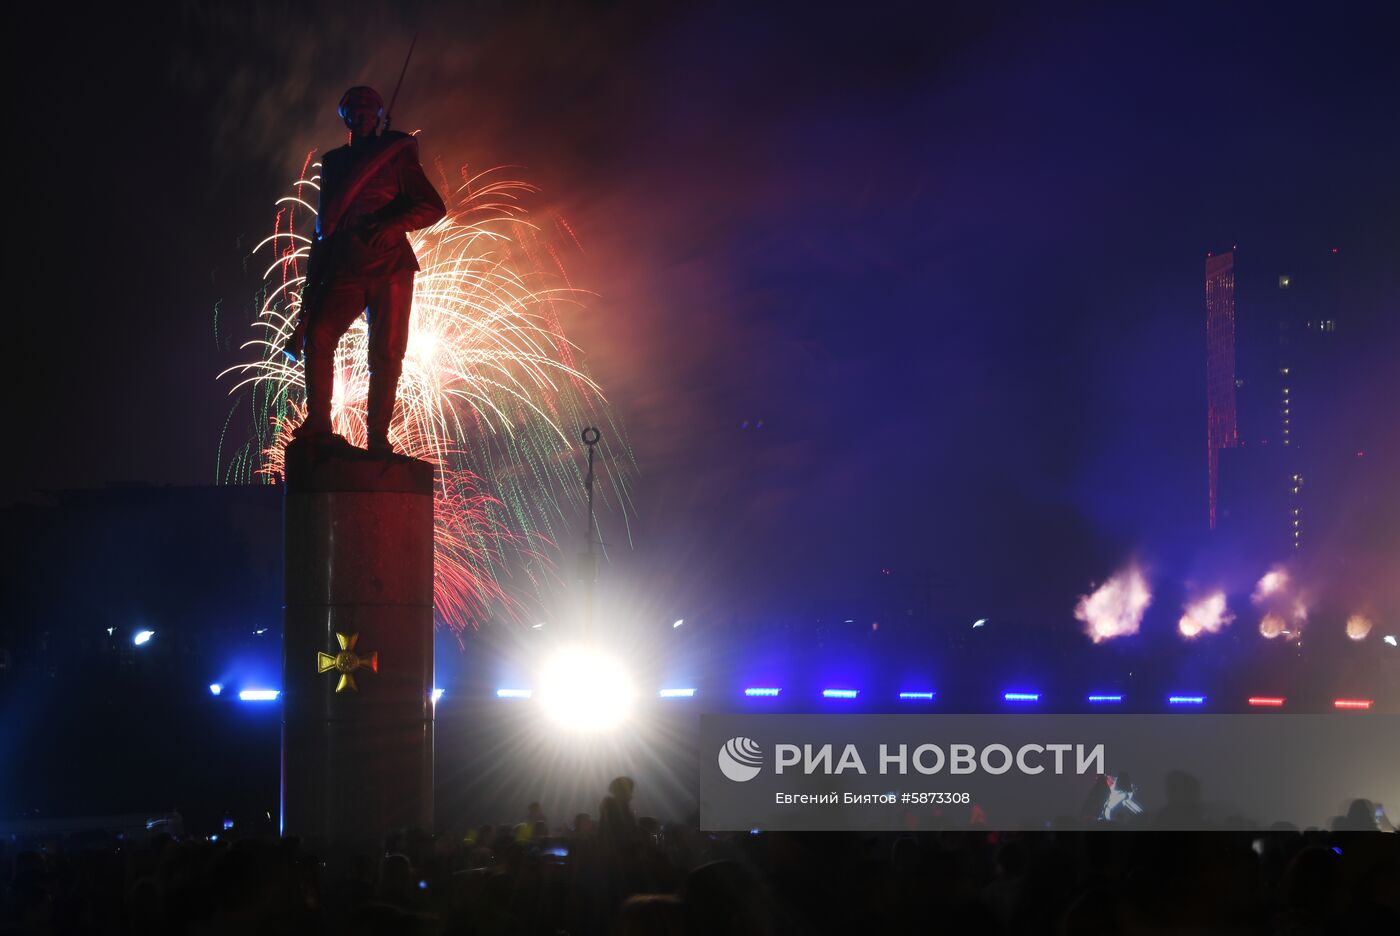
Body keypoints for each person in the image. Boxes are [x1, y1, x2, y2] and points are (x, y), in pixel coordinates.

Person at [289, 85, 447, 455]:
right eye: (353, 108)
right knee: (319, 335)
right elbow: (323, 227)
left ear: (378, 114)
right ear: (344, 116)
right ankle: (319, 422)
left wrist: (391, 225)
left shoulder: (394, 153)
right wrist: (313, 283)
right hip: (345, 264)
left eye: (367, 108)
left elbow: (431, 206)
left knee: (387, 353)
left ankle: (378, 436)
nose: (360, 113)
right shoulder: (332, 163)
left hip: (390, 264)